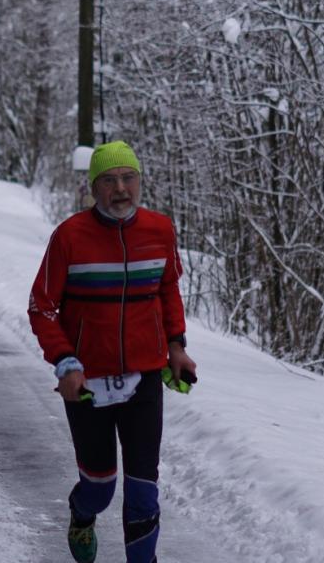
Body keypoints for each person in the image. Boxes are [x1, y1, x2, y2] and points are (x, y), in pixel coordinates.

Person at [28, 140, 197, 563]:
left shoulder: (159, 230)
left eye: (128, 178)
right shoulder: (69, 236)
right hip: (88, 383)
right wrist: (66, 363)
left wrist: (175, 345)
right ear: (93, 187)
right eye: (109, 180)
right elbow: (42, 308)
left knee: (143, 490)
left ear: (139, 181)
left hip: (144, 377)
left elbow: (167, 288)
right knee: (100, 487)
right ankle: (82, 514)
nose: (121, 188)